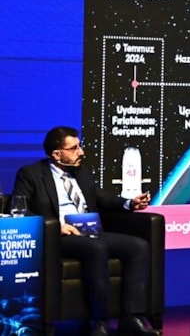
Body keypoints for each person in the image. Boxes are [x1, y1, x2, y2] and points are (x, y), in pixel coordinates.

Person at [12, 126, 158, 336]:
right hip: (59, 236)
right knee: (96, 248)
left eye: (79, 146)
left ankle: (131, 318)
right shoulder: (31, 174)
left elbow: (102, 198)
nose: (81, 152)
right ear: (57, 154)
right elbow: (19, 210)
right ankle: (99, 321)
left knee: (139, 246)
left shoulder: (81, 172)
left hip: (91, 231)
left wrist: (129, 203)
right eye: (74, 148)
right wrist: (56, 226)